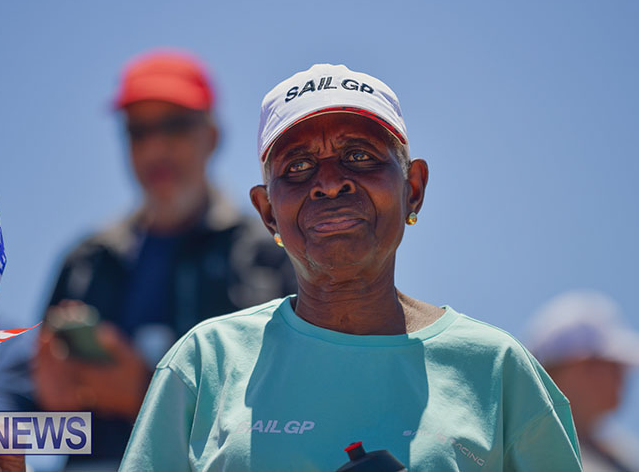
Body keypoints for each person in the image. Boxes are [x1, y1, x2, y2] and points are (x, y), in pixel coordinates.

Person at [120, 64, 583, 470]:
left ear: (413, 189)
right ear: (268, 213)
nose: (329, 182)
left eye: (360, 156)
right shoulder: (204, 363)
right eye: (297, 166)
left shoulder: (497, 369)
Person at [30, 49, 297, 467]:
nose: (156, 146)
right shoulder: (86, 261)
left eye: (175, 126)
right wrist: (53, 404)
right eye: (139, 131)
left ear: (212, 136)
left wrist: (147, 391)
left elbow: (296, 401)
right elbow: (49, 431)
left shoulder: (267, 252)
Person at [526, 291, 639, 472]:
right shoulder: (524, 453)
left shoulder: (624, 454)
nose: (623, 375)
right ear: (576, 364)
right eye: (613, 364)